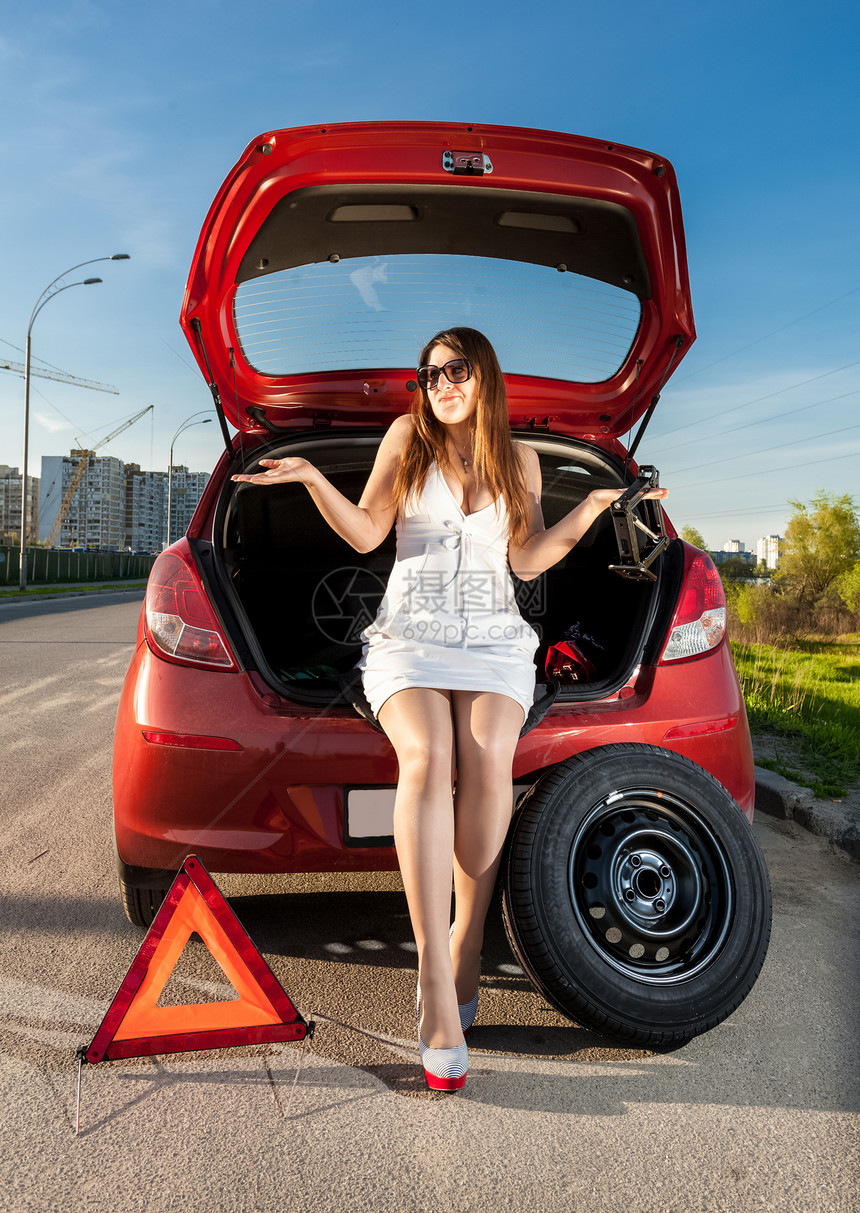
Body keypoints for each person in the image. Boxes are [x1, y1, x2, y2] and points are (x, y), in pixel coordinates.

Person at [231, 327, 668, 1092]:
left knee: (487, 754)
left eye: (455, 368)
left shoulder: (521, 458)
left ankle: (469, 940)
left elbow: (527, 556)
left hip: (495, 636)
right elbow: (368, 529)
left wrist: (596, 505)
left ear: (484, 375)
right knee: (429, 756)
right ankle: (438, 970)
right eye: (428, 374)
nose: (440, 383)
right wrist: (306, 474)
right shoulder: (407, 438)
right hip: (411, 636)